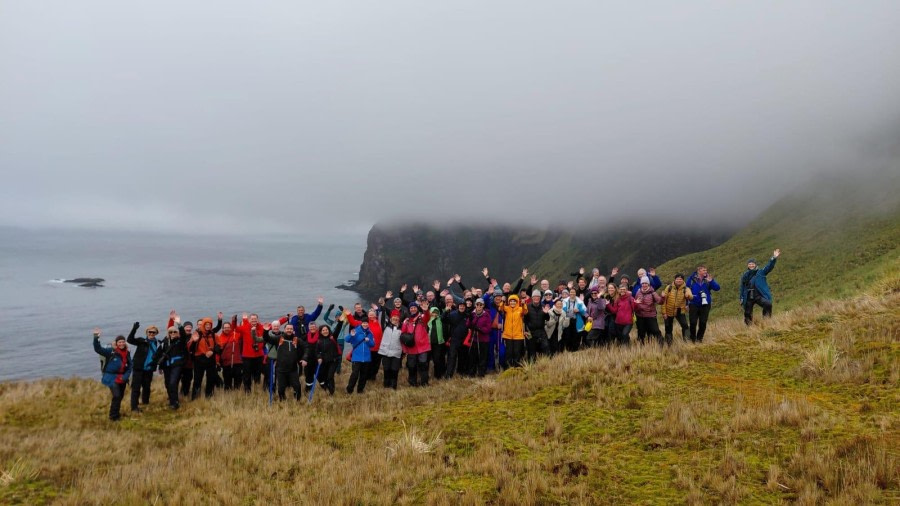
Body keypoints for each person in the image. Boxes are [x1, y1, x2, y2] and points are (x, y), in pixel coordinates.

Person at [93, 328, 133, 421]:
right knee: (117, 396)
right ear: (116, 343)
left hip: (122, 377)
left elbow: (130, 365)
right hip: (111, 377)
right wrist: (96, 337)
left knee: (120, 396)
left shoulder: (127, 353)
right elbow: (98, 349)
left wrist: (125, 376)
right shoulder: (111, 351)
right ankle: (113, 416)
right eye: (119, 342)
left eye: (123, 342)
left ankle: (116, 413)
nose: (121, 344)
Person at [264, 323, 307, 401]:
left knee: (297, 386)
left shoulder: (297, 340)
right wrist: (265, 331)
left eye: (291, 329)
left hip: (293, 369)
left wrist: (304, 358)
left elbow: (306, 348)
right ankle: (282, 401)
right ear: (284, 330)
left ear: (293, 330)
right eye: (287, 329)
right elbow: (267, 339)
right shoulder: (279, 338)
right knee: (281, 388)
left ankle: (297, 401)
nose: (289, 330)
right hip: (281, 369)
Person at [741, 249, 780, 325]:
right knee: (747, 313)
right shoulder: (745, 275)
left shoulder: (761, 272)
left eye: (752, 264)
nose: (751, 265)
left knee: (768, 304)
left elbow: (769, 267)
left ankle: (766, 321)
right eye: (749, 264)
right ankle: (749, 327)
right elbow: (742, 287)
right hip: (748, 296)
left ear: (755, 264)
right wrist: (741, 297)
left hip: (758, 295)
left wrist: (774, 258)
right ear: (747, 265)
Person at [127, 322, 159, 413]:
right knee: (136, 388)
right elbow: (130, 340)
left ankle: (145, 402)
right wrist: (134, 329)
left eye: (153, 332)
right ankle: (134, 407)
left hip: (149, 369)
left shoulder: (157, 343)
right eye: (150, 332)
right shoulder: (141, 341)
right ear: (147, 333)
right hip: (138, 368)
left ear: (156, 333)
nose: (151, 334)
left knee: (147, 387)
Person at [189, 316, 224, 399]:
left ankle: (209, 396)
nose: (208, 326)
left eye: (210, 324)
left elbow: (220, 346)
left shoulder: (214, 335)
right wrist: (194, 342)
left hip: (211, 359)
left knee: (211, 379)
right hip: (199, 359)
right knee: (197, 380)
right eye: (206, 324)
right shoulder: (196, 334)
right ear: (203, 325)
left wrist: (212, 351)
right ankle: (195, 398)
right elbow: (190, 349)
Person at [686, 265, 720, 342]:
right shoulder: (691, 279)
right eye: (704, 270)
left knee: (703, 323)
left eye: (706, 270)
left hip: (705, 304)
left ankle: (699, 339)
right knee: (693, 322)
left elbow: (717, 288)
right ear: (699, 271)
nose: (706, 272)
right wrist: (686, 304)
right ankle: (692, 339)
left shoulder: (708, 279)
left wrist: (711, 281)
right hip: (694, 303)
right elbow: (686, 291)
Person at [401, 302, 432, 387]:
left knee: (423, 365)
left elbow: (427, 317)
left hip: (423, 347)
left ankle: (424, 383)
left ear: (417, 308)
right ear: (409, 310)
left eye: (414, 307)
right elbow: (403, 334)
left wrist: (426, 311)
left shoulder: (422, 317)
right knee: (412, 366)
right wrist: (405, 348)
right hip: (411, 348)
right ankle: (412, 383)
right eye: (411, 308)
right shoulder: (406, 321)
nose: (413, 309)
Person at [236, 313, 267, 392]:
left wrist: (286, 318)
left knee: (257, 374)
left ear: (258, 320)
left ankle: (256, 389)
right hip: (247, 356)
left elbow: (275, 326)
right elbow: (235, 328)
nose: (254, 320)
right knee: (247, 374)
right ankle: (247, 390)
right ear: (249, 320)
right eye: (252, 319)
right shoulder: (245, 327)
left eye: (255, 319)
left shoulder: (261, 327)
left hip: (259, 355)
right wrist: (234, 320)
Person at [344, 316, 375, 394]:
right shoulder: (356, 331)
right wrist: (351, 335)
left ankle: (360, 390)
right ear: (361, 323)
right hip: (356, 358)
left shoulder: (370, 333)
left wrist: (368, 341)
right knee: (355, 374)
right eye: (364, 323)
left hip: (366, 358)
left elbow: (372, 345)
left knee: (364, 375)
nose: (365, 324)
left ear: (368, 324)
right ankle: (349, 390)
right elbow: (347, 340)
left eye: (366, 323)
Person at [660, 274, 693, 344]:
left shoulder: (686, 288)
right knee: (668, 328)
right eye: (677, 279)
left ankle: (687, 342)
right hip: (669, 310)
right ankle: (669, 344)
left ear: (683, 280)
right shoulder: (669, 287)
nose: (679, 280)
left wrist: (688, 295)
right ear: (674, 280)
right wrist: (664, 313)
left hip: (680, 310)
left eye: (680, 279)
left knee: (685, 326)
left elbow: (691, 296)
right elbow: (664, 301)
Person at [498, 294, 528, 367]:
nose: (512, 302)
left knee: (517, 353)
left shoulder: (520, 309)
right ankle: (508, 368)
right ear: (509, 302)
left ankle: (516, 368)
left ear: (517, 302)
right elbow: (500, 308)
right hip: (508, 335)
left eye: (514, 301)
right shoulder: (506, 309)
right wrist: (503, 301)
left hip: (518, 336)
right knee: (509, 353)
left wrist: (523, 304)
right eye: (511, 301)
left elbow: (525, 312)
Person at [314, 321, 344, 395]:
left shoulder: (333, 337)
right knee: (325, 377)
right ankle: (327, 387)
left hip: (333, 361)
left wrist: (340, 322)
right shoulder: (319, 341)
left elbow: (338, 329)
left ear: (329, 330)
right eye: (323, 330)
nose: (325, 331)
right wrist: (319, 357)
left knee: (330, 376)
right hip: (324, 362)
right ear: (320, 332)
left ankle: (331, 392)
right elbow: (317, 352)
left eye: (326, 330)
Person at [466, 299, 493, 377]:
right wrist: (470, 319)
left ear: (483, 306)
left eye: (481, 305)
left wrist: (480, 329)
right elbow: (468, 325)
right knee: (473, 357)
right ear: (475, 305)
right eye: (477, 304)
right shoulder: (472, 314)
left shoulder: (486, 315)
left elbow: (488, 328)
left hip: (483, 340)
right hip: (474, 339)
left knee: (482, 357)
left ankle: (481, 373)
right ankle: (472, 373)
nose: (479, 306)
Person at [444, 300, 470, 378]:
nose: (462, 307)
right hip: (454, 340)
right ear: (458, 307)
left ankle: (461, 373)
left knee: (462, 358)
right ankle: (449, 375)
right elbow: (443, 320)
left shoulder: (468, 315)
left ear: (465, 307)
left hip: (464, 340)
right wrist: (446, 312)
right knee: (452, 358)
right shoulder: (452, 314)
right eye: (460, 306)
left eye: (463, 306)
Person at [378, 310, 404, 389]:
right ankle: (386, 384)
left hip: (396, 352)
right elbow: (382, 319)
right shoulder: (386, 325)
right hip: (385, 351)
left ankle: (393, 385)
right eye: (393, 316)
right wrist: (383, 307)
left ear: (399, 318)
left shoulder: (402, 327)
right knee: (386, 369)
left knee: (394, 369)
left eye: (397, 317)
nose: (395, 318)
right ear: (390, 318)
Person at [634, 277, 663, 345]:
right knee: (641, 332)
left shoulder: (653, 293)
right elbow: (635, 302)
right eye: (643, 283)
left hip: (650, 315)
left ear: (648, 284)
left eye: (646, 283)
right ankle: (641, 346)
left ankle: (662, 345)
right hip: (640, 315)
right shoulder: (638, 292)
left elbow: (660, 302)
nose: (644, 285)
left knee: (655, 331)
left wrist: (663, 297)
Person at [524, 290, 550, 360]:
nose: (536, 298)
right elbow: (524, 320)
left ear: (540, 298)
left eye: (538, 297)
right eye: (535, 296)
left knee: (545, 347)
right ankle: (531, 365)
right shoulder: (527, 306)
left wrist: (546, 313)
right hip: (530, 332)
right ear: (532, 298)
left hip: (541, 331)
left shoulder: (543, 306)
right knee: (531, 351)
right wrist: (525, 330)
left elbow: (547, 319)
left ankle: (545, 363)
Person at [218, 319, 243, 390]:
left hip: (237, 362)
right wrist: (217, 361)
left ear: (231, 328)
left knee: (238, 381)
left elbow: (243, 333)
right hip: (226, 363)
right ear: (222, 329)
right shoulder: (220, 338)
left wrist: (235, 321)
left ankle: (237, 394)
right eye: (225, 327)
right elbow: (218, 352)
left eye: (228, 327)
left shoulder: (236, 335)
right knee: (227, 382)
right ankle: (228, 394)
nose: (227, 329)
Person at [426, 306, 447, 379]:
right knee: (426, 360)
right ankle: (425, 375)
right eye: (433, 312)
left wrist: (446, 310)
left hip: (438, 344)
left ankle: (437, 376)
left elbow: (445, 315)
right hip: (428, 344)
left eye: (436, 312)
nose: (434, 314)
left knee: (437, 360)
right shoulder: (427, 320)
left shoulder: (440, 319)